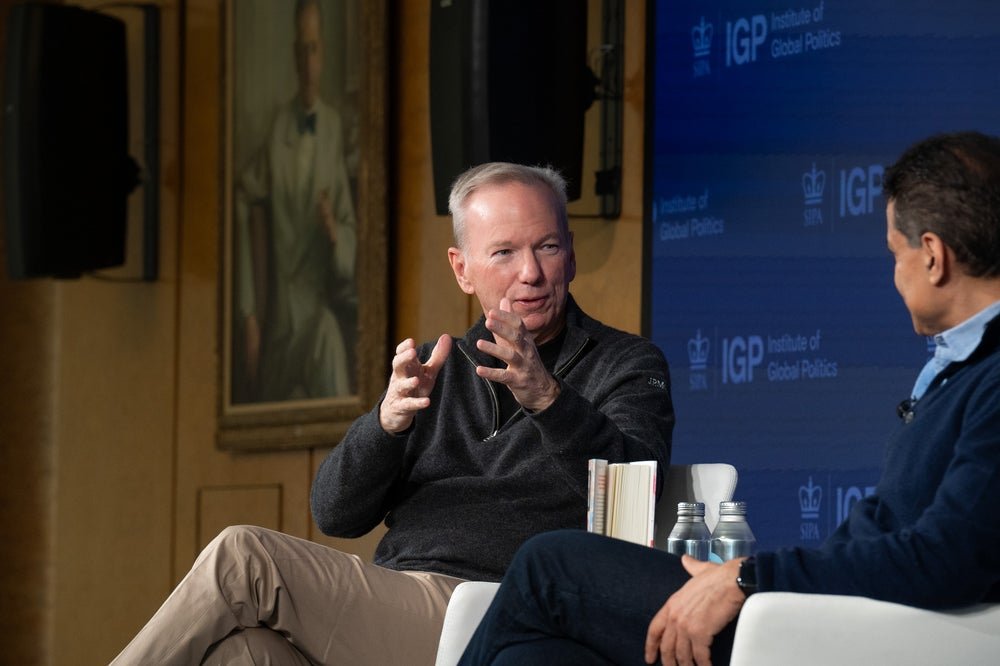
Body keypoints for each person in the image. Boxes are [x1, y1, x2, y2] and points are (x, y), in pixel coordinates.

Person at [458, 131, 1000, 666]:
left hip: (865, 634)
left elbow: (949, 556)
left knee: (549, 565)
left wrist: (748, 577)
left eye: (895, 254)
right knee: (535, 654)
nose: (895, 276)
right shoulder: (961, 369)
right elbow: (890, 532)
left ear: (933, 256)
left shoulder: (991, 378)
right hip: (832, 609)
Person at [110, 162, 674, 665]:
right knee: (245, 655)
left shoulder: (625, 362)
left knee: (244, 556)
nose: (530, 271)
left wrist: (548, 399)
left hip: (501, 610)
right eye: (504, 252)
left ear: (570, 253)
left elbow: (633, 504)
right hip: (398, 605)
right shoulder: (435, 367)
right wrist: (385, 425)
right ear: (462, 268)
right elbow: (334, 514)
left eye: (546, 246)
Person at [235, 0, 358, 402]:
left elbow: (349, 230)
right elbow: (241, 199)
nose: (308, 62)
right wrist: (249, 313)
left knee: (330, 347)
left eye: (314, 49)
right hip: (281, 317)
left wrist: (334, 232)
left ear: (323, 55)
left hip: (318, 307)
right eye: (301, 50)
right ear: (293, 56)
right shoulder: (278, 128)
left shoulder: (333, 128)